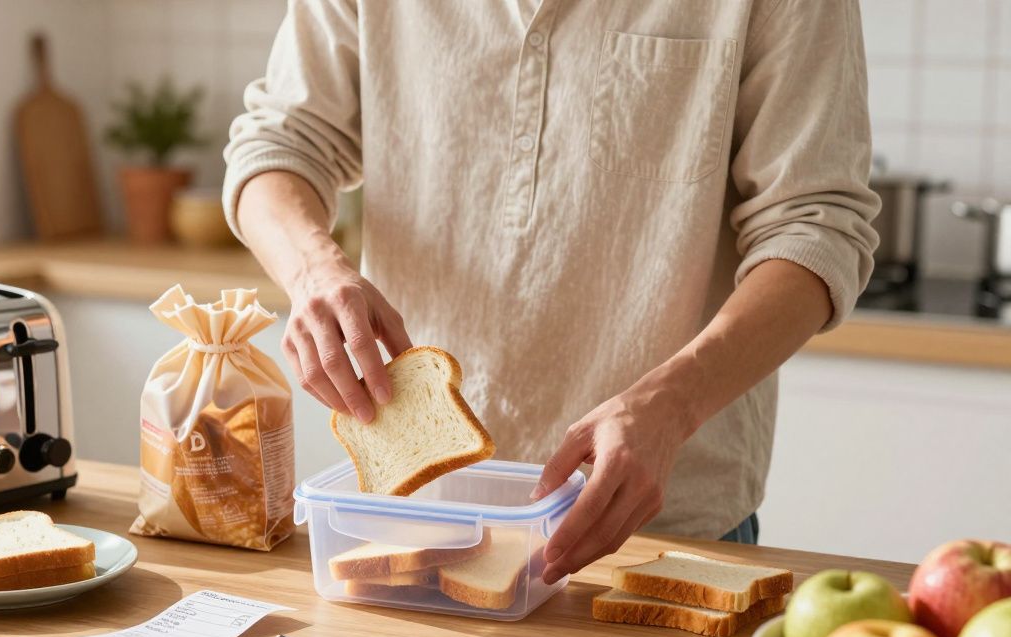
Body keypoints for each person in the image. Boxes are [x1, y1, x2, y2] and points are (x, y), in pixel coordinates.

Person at [223, 1, 879, 584]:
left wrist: (674, 402)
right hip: (416, 517)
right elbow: (281, 140)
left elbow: (815, 227)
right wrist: (313, 269)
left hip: (658, 525)